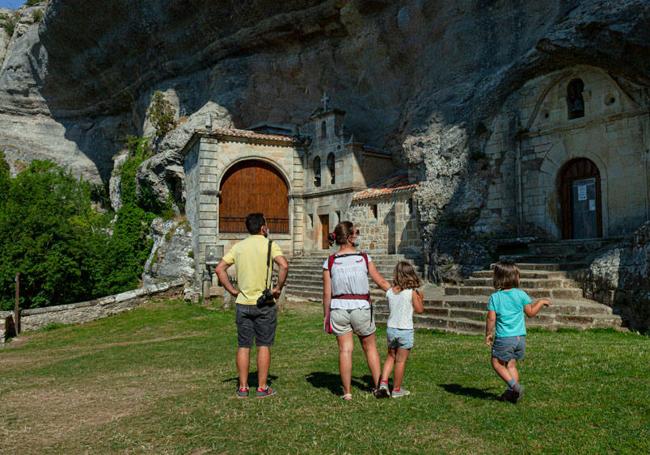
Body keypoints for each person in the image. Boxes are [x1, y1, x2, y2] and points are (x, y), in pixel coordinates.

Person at [215, 213, 289, 399]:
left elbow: (219, 269)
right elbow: (284, 266)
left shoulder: (238, 247)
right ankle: (262, 388)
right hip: (264, 302)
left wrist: (232, 290)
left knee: (244, 345)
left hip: (243, 303)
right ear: (263, 228)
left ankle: (242, 387)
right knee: (263, 345)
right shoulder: (270, 245)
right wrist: (277, 288)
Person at [322, 221, 391, 400]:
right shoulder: (364, 258)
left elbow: (327, 293)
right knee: (370, 348)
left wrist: (326, 315)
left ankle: (347, 392)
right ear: (351, 237)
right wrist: (398, 293)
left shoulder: (330, 261)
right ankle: (379, 387)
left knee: (345, 350)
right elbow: (381, 282)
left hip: (338, 308)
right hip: (361, 307)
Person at [485, 261, 551, 403]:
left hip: (504, 338)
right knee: (511, 365)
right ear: (515, 278)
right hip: (520, 338)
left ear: (498, 278)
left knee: (496, 363)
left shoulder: (495, 297)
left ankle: (515, 387)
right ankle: (511, 394)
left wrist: (488, 334)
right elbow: (531, 313)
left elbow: (491, 318)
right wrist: (540, 302)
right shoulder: (521, 295)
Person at [376, 261, 424, 398]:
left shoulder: (390, 292)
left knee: (390, 356)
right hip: (405, 330)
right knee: (400, 360)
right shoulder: (412, 292)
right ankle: (396, 390)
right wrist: (421, 299)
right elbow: (420, 310)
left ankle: (383, 384)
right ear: (410, 274)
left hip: (391, 329)